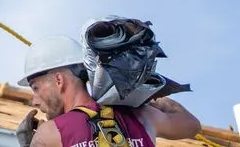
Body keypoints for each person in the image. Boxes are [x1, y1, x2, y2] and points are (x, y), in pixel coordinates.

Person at [15, 35, 202, 147]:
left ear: (58, 80)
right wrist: (145, 95)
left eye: (36, 88)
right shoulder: (141, 116)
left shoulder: (50, 133)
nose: (35, 101)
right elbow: (191, 125)